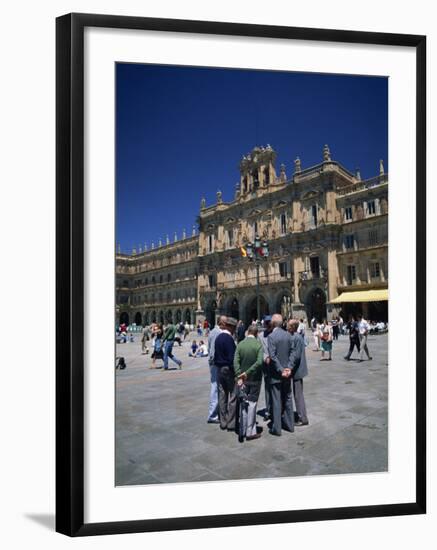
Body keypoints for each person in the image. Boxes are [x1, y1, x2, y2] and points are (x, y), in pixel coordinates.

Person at [234, 325, 264, 441]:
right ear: (256, 334)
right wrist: (248, 372)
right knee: (252, 404)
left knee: (243, 404)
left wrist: (239, 375)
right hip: (255, 379)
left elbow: (235, 361)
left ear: (247, 333)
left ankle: (242, 429)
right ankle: (250, 431)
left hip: (243, 380)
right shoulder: (258, 345)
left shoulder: (240, 344)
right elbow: (260, 362)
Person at [267, 314, 294, 436]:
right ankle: (290, 425)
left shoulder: (271, 337)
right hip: (288, 374)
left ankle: (277, 428)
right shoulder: (288, 335)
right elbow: (293, 353)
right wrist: (288, 367)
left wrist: (280, 369)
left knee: (277, 400)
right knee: (288, 398)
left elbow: (272, 356)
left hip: (276, 375)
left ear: (273, 324)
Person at [214, 317, 238, 431]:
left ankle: (223, 422)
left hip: (219, 369)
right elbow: (232, 358)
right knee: (233, 395)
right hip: (228, 369)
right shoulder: (228, 339)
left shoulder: (218, 338)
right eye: (234, 328)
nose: (235, 330)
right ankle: (231, 422)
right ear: (230, 327)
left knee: (222, 395)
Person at [288, 319, 309, 426]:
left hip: (297, 371)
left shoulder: (295, 338)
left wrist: (289, 368)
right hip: (299, 370)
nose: (287, 327)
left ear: (292, 327)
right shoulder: (298, 337)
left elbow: (295, 356)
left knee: (298, 395)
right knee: (298, 394)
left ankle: (302, 418)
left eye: (288, 325)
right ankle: (302, 416)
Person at [207, 315, 227, 424]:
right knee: (215, 388)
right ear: (222, 323)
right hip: (215, 363)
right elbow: (214, 350)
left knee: (216, 387)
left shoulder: (212, 331)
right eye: (226, 323)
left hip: (213, 362)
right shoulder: (217, 333)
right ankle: (212, 415)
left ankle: (216, 412)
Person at [258, 315, 273, 421]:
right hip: (266, 365)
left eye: (269, 323)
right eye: (266, 323)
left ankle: (278, 409)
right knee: (268, 388)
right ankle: (268, 410)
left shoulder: (277, 334)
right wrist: (265, 357)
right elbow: (260, 350)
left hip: (277, 366)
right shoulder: (260, 336)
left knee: (277, 389)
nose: (267, 325)